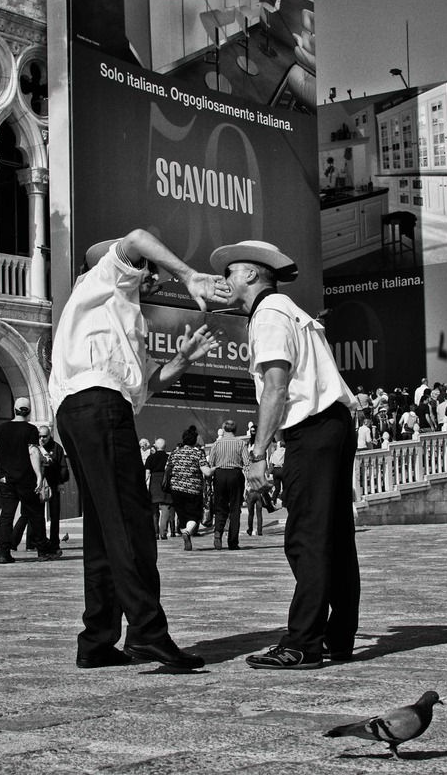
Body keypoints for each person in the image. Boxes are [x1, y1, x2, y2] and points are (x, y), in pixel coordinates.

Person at [48, 228, 228, 670]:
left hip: (85, 411)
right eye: (151, 271)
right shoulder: (104, 276)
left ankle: (97, 639)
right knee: (132, 525)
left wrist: (182, 362)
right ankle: (147, 633)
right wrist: (189, 276)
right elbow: (138, 236)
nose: (154, 279)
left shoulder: (116, 313)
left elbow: (143, 387)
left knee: (106, 530)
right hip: (98, 404)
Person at [210, 239, 359, 670]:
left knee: (306, 538)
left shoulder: (270, 313)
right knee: (334, 537)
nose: (225, 281)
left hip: (311, 431)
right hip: (332, 425)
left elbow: (277, 386)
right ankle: (338, 637)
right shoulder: (291, 310)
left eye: (230, 273)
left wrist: (257, 453)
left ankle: (303, 643)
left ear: (252, 274)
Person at [0, 397, 57, 564]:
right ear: (28, 411)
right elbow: (33, 451)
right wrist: (39, 475)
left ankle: (3, 552)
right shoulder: (30, 430)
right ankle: (42, 551)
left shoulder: (1, 429)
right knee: (35, 514)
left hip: (6, 478)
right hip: (26, 478)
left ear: (14, 410)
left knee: (6, 516)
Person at [13, 426, 70, 555]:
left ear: (50, 436)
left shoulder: (56, 448)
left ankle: (54, 543)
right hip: (36, 485)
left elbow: (63, 467)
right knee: (34, 515)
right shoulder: (33, 447)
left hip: (53, 484)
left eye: (45, 436)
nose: (42, 439)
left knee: (54, 516)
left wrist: (61, 481)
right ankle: (31, 542)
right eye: (40, 436)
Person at [167, 427, 212, 551]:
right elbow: (206, 472)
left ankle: (184, 532)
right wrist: (215, 469)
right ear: (194, 441)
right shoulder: (198, 453)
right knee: (193, 516)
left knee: (182, 516)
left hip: (176, 488)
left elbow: (168, 469)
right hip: (193, 489)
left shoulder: (174, 453)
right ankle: (187, 532)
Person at [208, 419, 249, 550]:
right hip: (235, 475)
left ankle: (218, 531)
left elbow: (211, 463)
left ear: (223, 429)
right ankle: (233, 542)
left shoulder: (216, 444)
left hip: (219, 475)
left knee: (220, 506)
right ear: (235, 430)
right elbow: (247, 463)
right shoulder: (241, 443)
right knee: (235, 508)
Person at [145, 438, 173, 540]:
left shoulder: (150, 458)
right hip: (165, 482)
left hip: (154, 483)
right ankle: (163, 532)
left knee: (154, 509)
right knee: (165, 507)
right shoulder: (169, 457)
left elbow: (147, 473)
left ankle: (155, 532)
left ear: (155, 446)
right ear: (165, 446)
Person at [269, 439, 285, 507]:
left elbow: (271, 462)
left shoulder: (275, 453)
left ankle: (273, 499)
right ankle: (284, 502)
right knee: (285, 487)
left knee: (277, 488)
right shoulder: (284, 451)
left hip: (275, 470)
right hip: (282, 469)